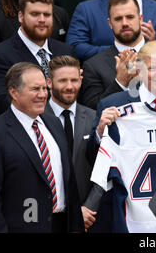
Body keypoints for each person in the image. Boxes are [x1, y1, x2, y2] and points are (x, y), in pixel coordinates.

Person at [0, 62, 84, 233]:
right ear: (14, 92)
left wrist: (76, 226)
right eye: (34, 89)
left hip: (62, 224)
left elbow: (69, 182)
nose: (42, 95)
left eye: (44, 88)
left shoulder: (53, 123)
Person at [0, 0, 75, 115]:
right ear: (21, 16)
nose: (42, 19)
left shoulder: (65, 50)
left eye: (47, 15)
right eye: (35, 14)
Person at [44, 55, 97, 231]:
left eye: (74, 80)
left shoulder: (94, 118)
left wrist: (87, 208)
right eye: (62, 81)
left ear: (81, 80)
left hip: (90, 217)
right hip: (49, 218)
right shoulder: (37, 119)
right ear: (49, 82)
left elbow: (104, 169)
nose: (69, 86)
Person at [79, 0, 142, 110]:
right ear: (110, 23)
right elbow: (91, 111)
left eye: (130, 17)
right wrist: (120, 83)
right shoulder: (93, 66)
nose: (124, 23)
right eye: (118, 19)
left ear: (140, 18)